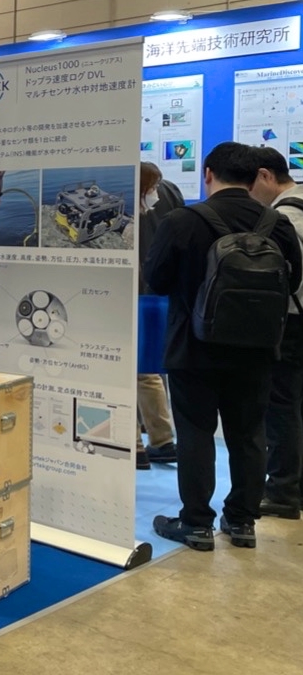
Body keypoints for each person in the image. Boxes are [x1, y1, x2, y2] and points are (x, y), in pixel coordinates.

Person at [145, 142, 303, 550]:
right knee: (249, 434)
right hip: (257, 349)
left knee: (196, 433)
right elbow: (293, 281)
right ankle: (242, 521)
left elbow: (157, 281)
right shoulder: (277, 224)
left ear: (208, 174)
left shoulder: (182, 221)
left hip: (192, 346)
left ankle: (197, 523)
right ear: (254, 178)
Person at [250, 146, 303, 520]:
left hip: (291, 322)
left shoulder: (286, 219)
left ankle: (283, 491)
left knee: (281, 408)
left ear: (266, 176)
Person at [136, 162, 178, 469]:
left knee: (132, 370)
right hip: (159, 293)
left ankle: (136, 445)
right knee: (148, 370)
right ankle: (161, 440)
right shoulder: (171, 193)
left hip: (134, 294)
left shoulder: (127, 199)